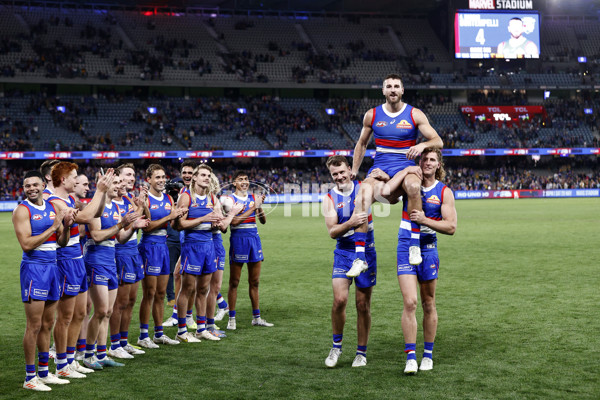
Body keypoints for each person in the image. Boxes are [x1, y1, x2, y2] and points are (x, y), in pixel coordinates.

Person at [349, 74, 443, 276]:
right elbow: (362, 144)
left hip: (406, 167)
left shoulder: (415, 114)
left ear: (402, 90)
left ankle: (414, 244)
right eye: (388, 86)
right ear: (383, 91)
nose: (392, 90)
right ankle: (359, 257)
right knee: (361, 195)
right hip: (380, 167)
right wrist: (355, 170)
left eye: (396, 86)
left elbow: (438, 140)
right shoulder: (372, 115)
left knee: (413, 187)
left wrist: (422, 145)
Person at [47, 162, 115, 378]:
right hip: (64, 260)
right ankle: (61, 365)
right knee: (65, 317)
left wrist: (101, 193)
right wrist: (101, 190)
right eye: (74, 177)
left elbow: (97, 212)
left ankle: (70, 360)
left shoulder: (68, 199)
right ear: (62, 180)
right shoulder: (55, 200)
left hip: (77, 258)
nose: (77, 181)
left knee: (79, 313)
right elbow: (85, 218)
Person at [396, 148, 457, 374]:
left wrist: (424, 220)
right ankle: (410, 356)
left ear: (438, 165)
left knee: (428, 303)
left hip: (428, 246)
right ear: (419, 162)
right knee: (410, 302)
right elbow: (386, 193)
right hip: (405, 245)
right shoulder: (408, 184)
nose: (428, 162)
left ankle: (428, 355)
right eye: (425, 159)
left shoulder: (444, 192)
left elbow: (451, 227)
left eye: (432, 159)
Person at [14, 171, 71, 390]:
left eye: (35, 184)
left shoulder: (52, 207)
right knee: (34, 326)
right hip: (34, 270)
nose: (31, 188)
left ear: (42, 185)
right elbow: (27, 245)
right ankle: (30, 378)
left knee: (48, 324)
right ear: (24, 188)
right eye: (27, 185)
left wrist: (64, 226)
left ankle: (45, 373)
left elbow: (62, 243)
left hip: (53, 267)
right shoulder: (22, 210)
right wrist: (54, 226)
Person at [82, 173, 146, 369]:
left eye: (119, 182)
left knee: (108, 311)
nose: (119, 185)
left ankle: (102, 354)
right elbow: (97, 235)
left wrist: (133, 226)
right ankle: (88, 354)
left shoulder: (117, 207)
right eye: (115, 182)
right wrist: (121, 224)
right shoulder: (95, 206)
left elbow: (120, 238)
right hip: (96, 259)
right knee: (100, 310)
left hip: (111, 259)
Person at [322, 156, 376, 368]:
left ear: (349, 170)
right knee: (340, 300)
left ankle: (361, 353)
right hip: (343, 252)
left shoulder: (365, 189)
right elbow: (332, 232)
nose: (339, 177)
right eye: (335, 174)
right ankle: (336, 346)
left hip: (366, 251)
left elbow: (391, 195)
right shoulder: (329, 198)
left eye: (342, 172)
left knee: (362, 305)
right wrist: (352, 223)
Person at [137, 164, 186, 348]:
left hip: (163, 247)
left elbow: (172, 224)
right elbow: (147, 226)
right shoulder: (145, 200)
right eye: (157, 177)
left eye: (163, 177)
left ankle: (159, 334)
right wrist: (169, 217)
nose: (161, 180)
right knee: (149, 293)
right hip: (149, 247)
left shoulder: (167, 198)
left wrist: (178, 216)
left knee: (160, 294)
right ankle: (143, 335)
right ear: (148, 179)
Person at [172, 164, 223, 342]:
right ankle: (181, 331)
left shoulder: (212, 197)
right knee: (188, 288)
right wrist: (202, 219)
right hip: (192, 246)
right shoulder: (186, 197)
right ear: (194, 177)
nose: (206, 178)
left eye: (208, 175)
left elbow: (218, 223)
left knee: (203, 289)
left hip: (208, 245)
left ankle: (201, 329)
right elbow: (179, 225)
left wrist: (217, 222)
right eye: (202, 175)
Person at [221, 170, 272, 330]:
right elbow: (234, 222)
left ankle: (256, 317)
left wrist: (259, 207)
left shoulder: (253, 198)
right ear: (234, 182)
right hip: (239, 240)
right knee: (234, 282)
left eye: (246, 179)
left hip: (254, 239)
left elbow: (263, 221)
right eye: (240, 179)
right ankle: (231, 319)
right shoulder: (229, 199)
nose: (244, 182)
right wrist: (253, 208)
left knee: (255, 281)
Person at [109, 163, 148, 358]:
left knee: (131, 300)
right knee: (120, 302)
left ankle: (123, 342)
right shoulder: (110, 202)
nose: (131, 178)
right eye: (127, 175)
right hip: (120, 253)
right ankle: (114, 345)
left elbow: (142, 220)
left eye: (133, 175)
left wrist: (141, 204)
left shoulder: (128, 201)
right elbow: (121, 234)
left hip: (133, 251)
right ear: (117, 178)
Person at [206, 172, 244, 337]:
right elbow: (223, 226)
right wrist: (232, 213)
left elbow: (222, 227)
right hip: (206, 243)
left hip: (215, 243)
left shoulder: (214, 200)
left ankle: (207, 324)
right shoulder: (202, 200)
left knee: (212, 287)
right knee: (205, 287)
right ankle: (204, 324)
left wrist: (228, 215)